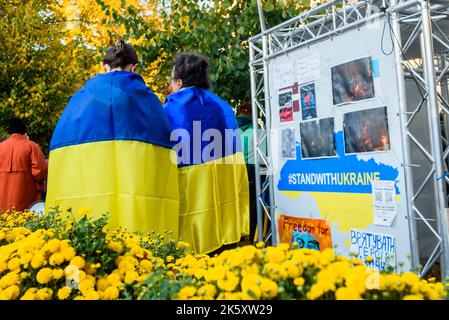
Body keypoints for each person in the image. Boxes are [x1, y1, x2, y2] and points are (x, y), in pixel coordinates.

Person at [46, 40, 179, 236]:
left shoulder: (80, 99)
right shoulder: (149, 100)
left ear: (103, 66)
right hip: (136, 199)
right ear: (134, 67)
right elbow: (166, 145)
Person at [164, 52, 249, 254]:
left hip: (191, 192)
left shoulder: (170, 108)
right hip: (225, 186)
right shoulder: (223, 106)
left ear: (178, 82)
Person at [0, 118, 47, 212]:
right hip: (26, 192)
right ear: (24, 131)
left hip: (3, 194)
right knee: (25, 219)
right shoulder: (32, 146)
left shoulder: (1, 146)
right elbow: (40, 170)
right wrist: (40, 184)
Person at [236, 103, 267, 243]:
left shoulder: (232, 128)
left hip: (236, 168)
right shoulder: (257, 130)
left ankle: (240, 231)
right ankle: (253, 233)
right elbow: (264, 155)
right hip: (256, 169)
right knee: (254, 204)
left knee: (240, 202)